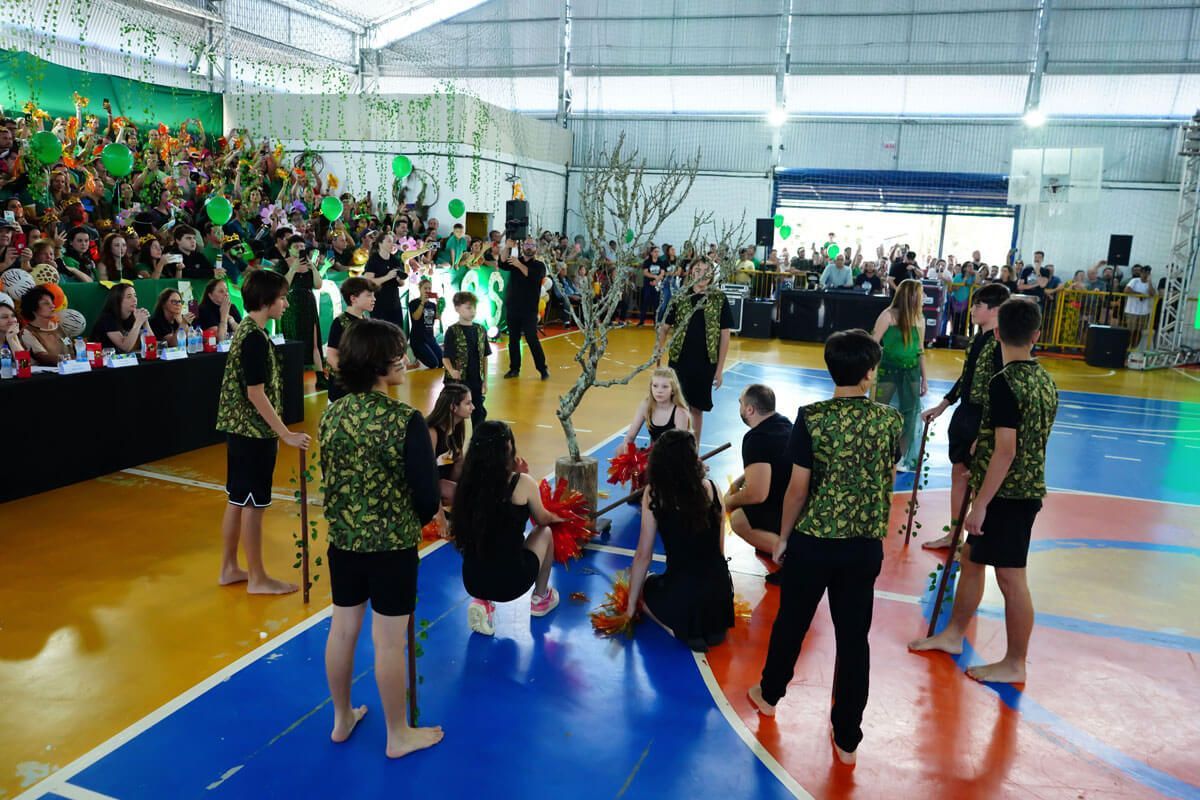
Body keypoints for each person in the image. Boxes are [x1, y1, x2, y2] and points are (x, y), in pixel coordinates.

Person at [746, 330, 902, 767]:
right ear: (870, 373)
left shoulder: (811, 418)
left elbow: (798, 489)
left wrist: (782, 537)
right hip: (862, 546)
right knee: (855, 640)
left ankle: (769, 694)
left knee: (791, 623)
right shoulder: (890, 421)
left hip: (814, 543)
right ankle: (847, 736)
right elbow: (886, 478)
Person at [910, 299, 1058, 685]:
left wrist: (981, 506)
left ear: (997, 333)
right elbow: (1027, 436)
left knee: (1011, 579)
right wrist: (985, 442)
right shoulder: (1044, 379)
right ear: (1036, 335)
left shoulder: (1004, 383)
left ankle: (1015, 661)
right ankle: (954, 635)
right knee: (972, 559)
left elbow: (1008, 450)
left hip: (1009, 495)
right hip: (1023, 486)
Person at [318, 318, 445, 758]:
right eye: (398, 354)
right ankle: (397, 733)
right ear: (378, 362)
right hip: (391, 547)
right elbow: (427, 495)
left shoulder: (333, 412)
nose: (406, 361)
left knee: (343, 628)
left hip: (344, 542)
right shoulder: (405, 420)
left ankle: (341, 717)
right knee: (388, 641)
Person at [214, 269, 312, 595]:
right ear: (268, 301)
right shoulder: (254, 338)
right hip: (253, 434)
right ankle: (257, 577)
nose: (285, 303)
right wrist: (285, 433)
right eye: (282, 298)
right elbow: (256, 393)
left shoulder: (247, 330)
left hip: (240, 431)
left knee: (238, 499)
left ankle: (229, 566)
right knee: (253, 505)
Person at [622, 429, 734, 651]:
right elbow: (719, 551)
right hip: (719, 595)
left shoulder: (655, 494)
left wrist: (630, 607)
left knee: (648, 583)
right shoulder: (712, 487)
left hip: (683, 593)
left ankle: (673, 627)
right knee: (710, 625)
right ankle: (706, 627)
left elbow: (643, 554)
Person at [917, 283, 1011, 550]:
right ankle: (954, 534)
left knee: (978, 479)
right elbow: (968, 376)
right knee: (959, 472)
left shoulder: (1000, 342)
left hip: (983, 417)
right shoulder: (976, 339)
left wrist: (986, 432)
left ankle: (974, 543)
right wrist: (944, 404)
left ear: (995, 310)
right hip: (965, 413)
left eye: (979, 305)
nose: (973, 310)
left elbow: (998, 389)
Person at [453, 421, 561, 636]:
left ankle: (482, 602)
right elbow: (542, 519)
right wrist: (557, 517)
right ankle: (540, 598)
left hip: (473, 580)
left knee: (486, 540)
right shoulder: (522, 482)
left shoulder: (466, 484)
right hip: (511, 583)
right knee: (545, 533)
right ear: (508, 447)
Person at [724, 384, 794, 585]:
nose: (740, 407)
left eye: (740, 403)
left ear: (750, 410)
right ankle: (770, 542)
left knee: (737, 519)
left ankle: (790, 557)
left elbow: (757, 494)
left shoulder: (756, 439)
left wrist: (728, 501)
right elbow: (770, 466)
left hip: (784, 508)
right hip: (798, 502)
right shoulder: (784, 424)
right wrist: (740, 480)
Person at [659, 260, 733, 444]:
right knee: (676, 407)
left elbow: (725, 336)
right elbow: (664, 328)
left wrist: (719, 369)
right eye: (697, 270)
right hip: (679, 362)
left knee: (697, 409)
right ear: (691, 272)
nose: (702, 274)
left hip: (705, 363)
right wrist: (658, 358)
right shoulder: (680, 296)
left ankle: (693, 452)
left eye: (707, 271)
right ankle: (674, 449)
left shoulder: (719, 299)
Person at [871, 279, 927, 471]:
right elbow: (874, 343)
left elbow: (920, 350)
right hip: (889, 369)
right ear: (910, 295)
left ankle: (900, 456)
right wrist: (872, 370)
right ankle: (877, 451)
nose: (922, 297)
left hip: (911, 372)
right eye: (920, 294)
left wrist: (924, 379)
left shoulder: (919, 319)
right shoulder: (887, 315)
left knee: (910, 414)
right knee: (881, 410)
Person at [426, 382, 475, 535]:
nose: (473, 407)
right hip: (430, 485)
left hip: (443, 484)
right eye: (468, 403)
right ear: (453, 407)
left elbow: (455, 475)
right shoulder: (432, 432)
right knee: (463, 494)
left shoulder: (457, 430)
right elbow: (427, 475)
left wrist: (460, 463)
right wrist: (439, 513)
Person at [500, 238, 549, 380]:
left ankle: (542, 368)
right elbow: (502, 263)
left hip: (529, 309)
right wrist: (507, 247)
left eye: (531, 245)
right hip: (513, 306)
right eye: (526, 244)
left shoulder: (539, 265)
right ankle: (514, 368)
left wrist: (518, 264)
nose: (528, 247)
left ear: (535, 249)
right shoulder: (516, 261)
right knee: (513, 340)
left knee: (532, 338)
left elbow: (532, 276)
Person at [278, 236, 325, 381]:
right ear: (290, 249)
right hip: (291, 303)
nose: (300, 249)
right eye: (296, 247)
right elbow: (283, 285)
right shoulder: (283, 264)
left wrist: (313, 268)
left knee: (314, 339)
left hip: (308, 302)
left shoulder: (309, 264)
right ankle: (293, 375)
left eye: (302, 246)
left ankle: (320, 375)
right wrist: (293, 268)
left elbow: (318, 285)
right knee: (293, 338)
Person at [617, 367, 692, 455]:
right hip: (654, 454)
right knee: (621, 450)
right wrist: (627, 458)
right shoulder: (646, 406)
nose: (659, 391)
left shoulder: (680, 412)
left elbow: (681, 446)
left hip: (674, 455)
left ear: (673, 390)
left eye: (665, 387)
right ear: (651, 387)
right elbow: (630, 437)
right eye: (655, 386)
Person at [442, 291, 490, 427]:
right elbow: (446, 358)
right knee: (455, 415)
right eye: (468, 307)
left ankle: (478, 442)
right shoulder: (452, 331)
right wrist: (451, 371)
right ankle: (451, 442)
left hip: (476, 380)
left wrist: (485, 381)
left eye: (474, 307)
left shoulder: (481, 330)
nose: (472, 311)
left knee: (479, 413)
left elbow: (484, 357)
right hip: (458, 382)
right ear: (457, 309)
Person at [326, 277, 376, 404]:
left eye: (373, 295)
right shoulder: (340, 323)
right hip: (342, 389)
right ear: (353, 299)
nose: (374, 299)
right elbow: (331, 356)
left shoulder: (366, 321)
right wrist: (349, 375)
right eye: (369, 295)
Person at [17, 285, 71, 366]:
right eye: (46, 303)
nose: (53, 306)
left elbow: (70, 347)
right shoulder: (27, 332)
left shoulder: (59, 327)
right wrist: (70, 360)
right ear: (33, 308)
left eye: (52, 302)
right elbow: (43, 357)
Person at [362, 232, 406, 327]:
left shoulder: (395, 260)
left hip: (394, 303)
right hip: (379, 304)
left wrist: (399, 279)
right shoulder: (374, 260)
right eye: (389, 241)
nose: (392, 244)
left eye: (393, 241)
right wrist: (387, 277)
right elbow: (368, 281)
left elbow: (402, 283)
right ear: (380, 243)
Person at [91, 284, 150, 354]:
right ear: (117, 300)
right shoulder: (107, 319)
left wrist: (145, 322)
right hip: (102, 360)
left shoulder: (135, 316)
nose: (134, 300)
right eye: (129, 297)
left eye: (135, 295)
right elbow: (125, 347)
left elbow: (151, 345)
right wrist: (138, 322)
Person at [408, 278, 443, 369]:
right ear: (420, 289)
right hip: (418, 340)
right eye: (425, 288)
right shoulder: (413, 303)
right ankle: (418, 361)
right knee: (433, 363)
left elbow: (438, 317)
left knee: (441, 362)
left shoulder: (432, 305)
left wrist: (440, 306)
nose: (427, 291)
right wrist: (423, 302)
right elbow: (416, 317)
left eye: (429, 288)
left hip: (430, 338)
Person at [1123, 266, 1155, 349]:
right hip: (1132, 311)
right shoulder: (1134, 281)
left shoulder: (1150, 283)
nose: (1145, 275)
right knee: (1130, 331)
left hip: (1144, 312)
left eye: (1147, 273)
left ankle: (1133, 349)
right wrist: (1139, 294)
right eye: (1144, 272)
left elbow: (1152, 294)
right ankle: (1126, 348)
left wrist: (1150, 282)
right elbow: (1126, 290)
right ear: (1140, 273)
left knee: (1139, 331)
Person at [639, 246, 663, 326]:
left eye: (658, 252)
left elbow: (662, 273)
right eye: (655, 251)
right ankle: (641, 321)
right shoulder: (647, 262)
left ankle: (656, 322)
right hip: (648, 285)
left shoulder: (660, 261)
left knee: (656, 304)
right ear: (651, 253)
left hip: (657, 285)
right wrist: (654, 277)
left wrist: (656, 280)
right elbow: (645, 272)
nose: (657, 253)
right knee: (645, 303)